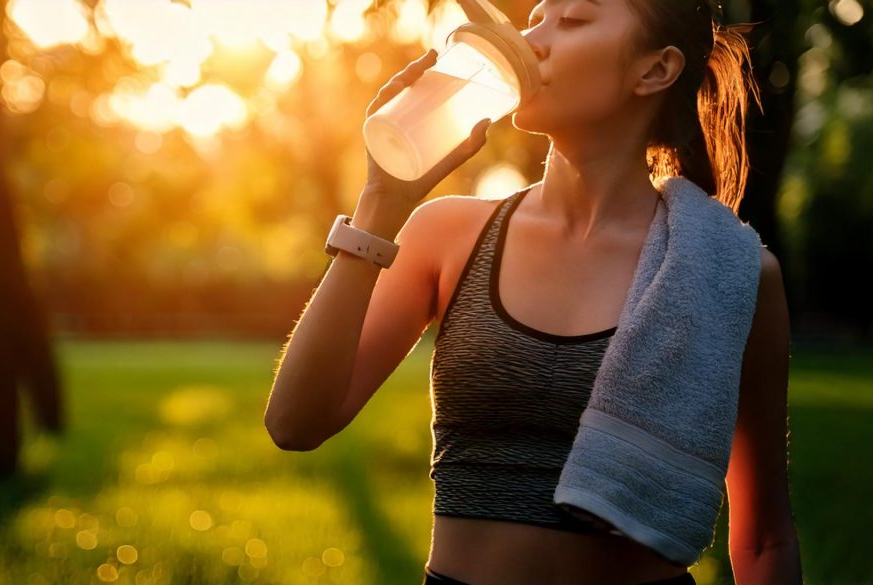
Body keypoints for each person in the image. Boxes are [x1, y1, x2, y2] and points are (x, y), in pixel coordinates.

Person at [265, 0, 804, 583]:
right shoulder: (447, 235)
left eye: (571, 21)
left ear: (655, 69)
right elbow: (295, 423)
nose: (532, 39)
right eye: (537, 18)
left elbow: (764, 538)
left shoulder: (728, 271)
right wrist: (381, 202)